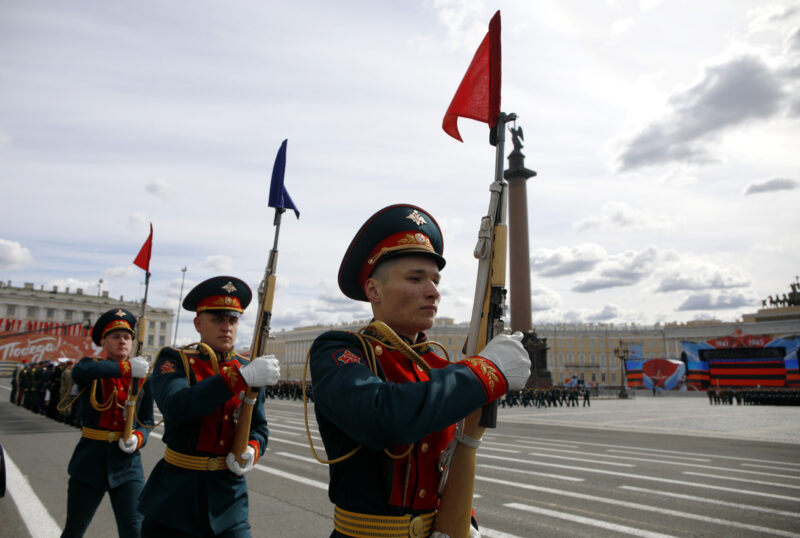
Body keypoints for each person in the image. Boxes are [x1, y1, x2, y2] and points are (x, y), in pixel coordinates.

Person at [309, 204, 531, 538]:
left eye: (435, 280)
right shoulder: (340, 350)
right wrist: (486, 370)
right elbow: (385, 416)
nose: (433, 291)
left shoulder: (439, 366)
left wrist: (463, 522)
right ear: (373, 290)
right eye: (416, 278)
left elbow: (452, 458)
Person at [139, 276, 280, 538]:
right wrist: (240, 376)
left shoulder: (249, 368)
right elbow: (177, 406)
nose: (226, 326)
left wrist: (252, 448)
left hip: (229, 498)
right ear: (198, 323)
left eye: (232, 320)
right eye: (217, 319)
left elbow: (259, 426)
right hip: (176, 498)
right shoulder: (175, 360)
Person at [62, 308, 154, 538]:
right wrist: (127, 368)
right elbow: (82, 370)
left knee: (134, 529)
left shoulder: (143, 376)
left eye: (127, 337)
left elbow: (147, 420)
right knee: (74, 530)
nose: (123, 341)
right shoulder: (91, 367)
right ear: (103, 341)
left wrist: (138, 438)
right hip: (90, 462)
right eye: (116, 336)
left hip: (127, 465)